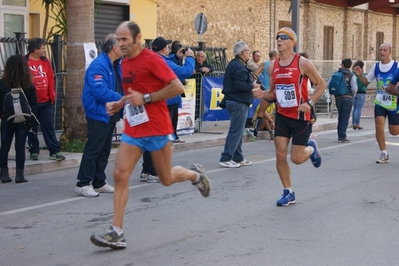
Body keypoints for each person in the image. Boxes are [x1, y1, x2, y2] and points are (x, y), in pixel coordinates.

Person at [90, 21, 211, 249]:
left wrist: (146, 98)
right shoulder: (124, 63)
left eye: (125, 39)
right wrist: (119, 103)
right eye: (119, 39)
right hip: (135, 128)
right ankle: (117, 232)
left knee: (166, 178)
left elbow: (177, 87)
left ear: (137, 39)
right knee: (119, 174)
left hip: (156, 127)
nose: (121, 43)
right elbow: (132, 93)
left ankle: (194, 175)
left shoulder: (153, 59)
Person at [252, 27, 325, 206]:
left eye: (284, 37)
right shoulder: (273, 66)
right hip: (282, 116)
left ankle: (311, 148)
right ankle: (288, 192)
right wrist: (263, 95)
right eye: (278, 37)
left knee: (297, 158)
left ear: (293, 42)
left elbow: (321, 84)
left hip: (300, 116)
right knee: (280, 154)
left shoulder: (303, 63)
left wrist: (309, 103)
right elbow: (273, 93)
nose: (279, 39)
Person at [74, 34, 123, 197]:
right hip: (99, 113)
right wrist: (121, 98)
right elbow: (100, 91)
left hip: (111, 113)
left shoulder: (116, 64)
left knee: (104, 150)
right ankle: (83, 183)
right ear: (115, 48)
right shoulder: (99, 65)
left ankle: (99, 182)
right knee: (93, 149)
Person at [353, 43, 399, 164]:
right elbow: (366, 81)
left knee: (394, 131)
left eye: (385, 50)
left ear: (390, 52)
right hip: (380, 102)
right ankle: (384, 153)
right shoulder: (376, 67)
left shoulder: (396, 66)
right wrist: (360, 75)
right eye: (380, 50)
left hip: (394, 102)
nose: (382, 52)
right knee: (379, 125)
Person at [219, 41, 260, 168]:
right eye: (248, 51)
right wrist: (252, 85)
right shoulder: (238, 66)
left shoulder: (236, 64)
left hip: (236, 101)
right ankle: (226, 158)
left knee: (239, 131)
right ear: (243, 53)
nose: (249, 53)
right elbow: (240, 85)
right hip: (238, 102)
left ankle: (238, 157)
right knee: (236, 131)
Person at [26, 38, 65, 161]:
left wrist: (52, 94)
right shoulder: (24, 61)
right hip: (30, 102)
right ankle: (34, 151)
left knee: (48, 126)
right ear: (35, 49)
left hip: (46, 101)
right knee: (31, 127)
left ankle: (54, 151)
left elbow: (51, 78)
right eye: (42, 47)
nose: (44, 49)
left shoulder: (45, 61)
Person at [0, 55, 37, 183]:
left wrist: (2, 114)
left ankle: (4, 174)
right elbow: (33, 101)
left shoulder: (2, 83)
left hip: (7, 118)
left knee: (4, 146)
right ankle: (19, 175)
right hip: (23, 119)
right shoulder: (27, 83)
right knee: (20, 147)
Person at [250, 50, 279, 139]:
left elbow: (254, 75)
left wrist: (260, 85)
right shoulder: (280, 63)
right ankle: (277, 132)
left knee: (261, 111)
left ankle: (255, 133)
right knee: (279, 111)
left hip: (267, 91)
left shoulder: (264, 64)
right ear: (276, 55)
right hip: (277, 90)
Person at [328, 58, 357, 143]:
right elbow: (354, 88)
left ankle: (339, 135)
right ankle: (342, 136)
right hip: (348, 98)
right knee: (345, 117)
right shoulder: (351, 75)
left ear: (342, 64)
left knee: (340, 116)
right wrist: (352, 95)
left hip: (338, 98)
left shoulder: (336, 74)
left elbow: (328, 84)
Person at [352, 60, 368, 130]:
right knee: (358, 108)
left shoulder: (352, 75)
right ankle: (357, 123)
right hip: (362, 92)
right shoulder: (363, 75)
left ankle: (353, 122)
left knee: (354, 108)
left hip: (354, 92)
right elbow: (367, 82)